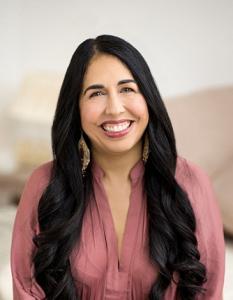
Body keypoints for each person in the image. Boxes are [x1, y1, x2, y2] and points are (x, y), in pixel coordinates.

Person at [10, 34, 225, 300]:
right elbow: (25, 287)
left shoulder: (190, 182)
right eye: (96, 93)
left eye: (127, 89)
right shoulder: (44, 184)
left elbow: (209, 290)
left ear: (147, 98)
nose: (114, 108)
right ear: (75, 107)